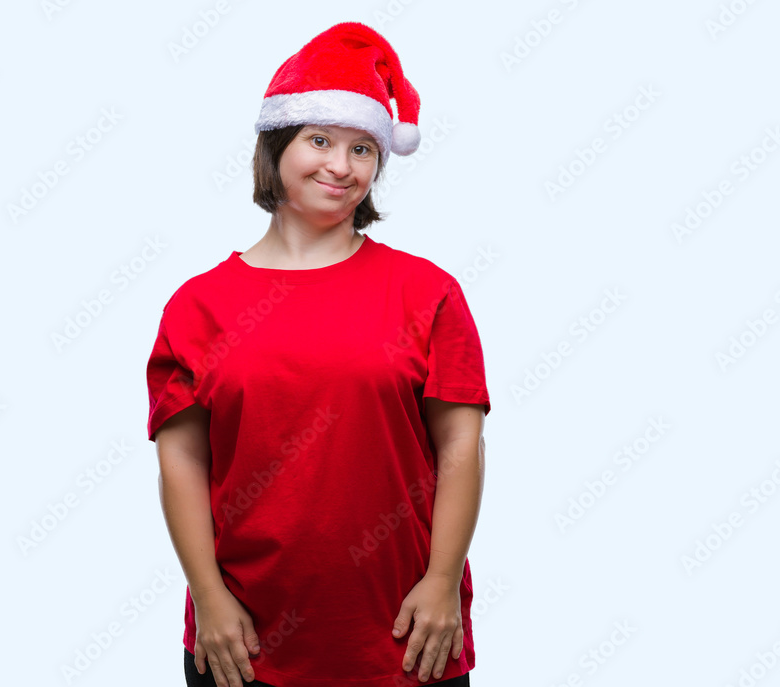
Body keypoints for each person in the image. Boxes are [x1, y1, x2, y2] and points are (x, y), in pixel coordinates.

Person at [146, 21, 490, 687]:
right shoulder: (197, 306)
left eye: (364, 148)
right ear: (276, 147)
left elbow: (461, 446)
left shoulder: (428, 292)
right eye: (320, 140)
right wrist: (209, 598)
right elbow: (182, 460)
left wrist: (444, 581)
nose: (341, 164)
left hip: (405, 637)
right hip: (243, 645)